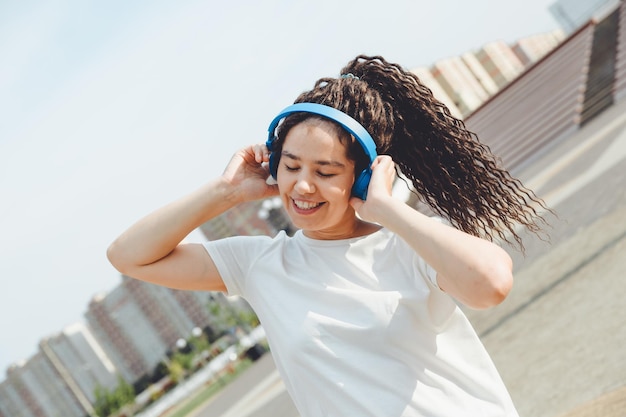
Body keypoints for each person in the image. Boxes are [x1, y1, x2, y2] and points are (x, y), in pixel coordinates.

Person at [107, 55, 548, 416]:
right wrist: (225, 193)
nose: (302, 186)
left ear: (360, 178)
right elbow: (129, 256)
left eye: (326, 171)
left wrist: (390, 210)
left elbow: (492, 284)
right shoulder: (259, 265)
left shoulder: (409, 244)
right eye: (292, 165)